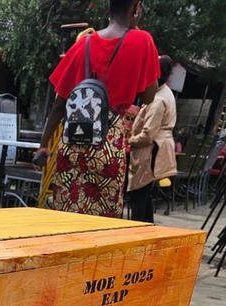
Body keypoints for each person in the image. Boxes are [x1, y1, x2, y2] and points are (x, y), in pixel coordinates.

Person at [35, 0, 159, 217]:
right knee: (102, 223)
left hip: (72, 142)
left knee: (65, 216)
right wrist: (136, 26)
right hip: (108, 144)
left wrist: (43, 146)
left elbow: (58, 105)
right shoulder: (142, 40)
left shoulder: (83, 44)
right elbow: (149, 96)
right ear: (136, 8)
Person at [128, 55, 177, 222]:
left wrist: (128, 141)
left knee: (138, 194)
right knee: (143, 194)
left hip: (150, 149)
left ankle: (136, 234)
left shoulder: (158, 99)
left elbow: (148, 135)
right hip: (155, 147)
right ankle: (146, 229)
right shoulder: (163, 92)